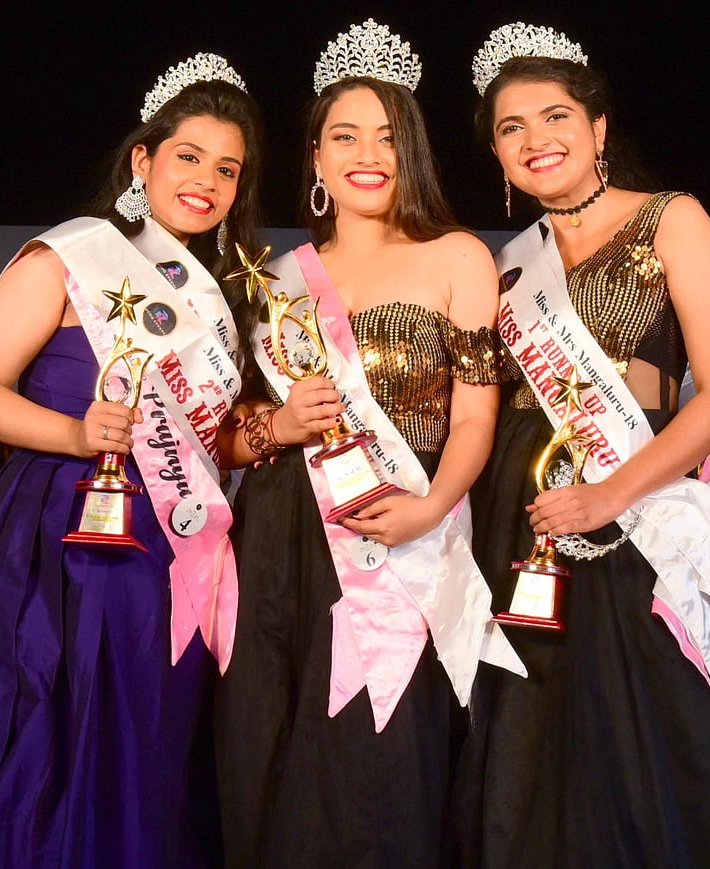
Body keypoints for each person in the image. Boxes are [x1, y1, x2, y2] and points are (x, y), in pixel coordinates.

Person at [452, 23, 710, 868]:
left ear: (598, 127)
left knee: (662, 738)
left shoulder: (671, 219)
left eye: (555, 117)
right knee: (532, 743)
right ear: (499, 155)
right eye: (512, 129)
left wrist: (610, 494)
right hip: (528, 517)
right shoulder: (509, 267)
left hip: (639, 513)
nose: (536, 140)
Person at [0, 51, 264, 868]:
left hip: (170, 550)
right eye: (188, 157)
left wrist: (275, 430)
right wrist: (76, 434)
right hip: (61, 536)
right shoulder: (69, 256)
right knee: (50, 725)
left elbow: (206, 444)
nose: (206, 183)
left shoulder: (218, 298)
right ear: (142, 160)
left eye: (227, 169)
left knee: (147, 735)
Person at [214, 19, 522, 868]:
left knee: (383, 755)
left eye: (388, 136)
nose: (367, 153)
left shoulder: (458, 255)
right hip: (282, 535)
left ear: (411, 150)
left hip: (398, 524)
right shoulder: (274, 280)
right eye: (344, 136)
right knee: (269, 742)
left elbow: (474, 418)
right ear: (316, 158)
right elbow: (231, 438)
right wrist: (278, 422)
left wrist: (429, 506)